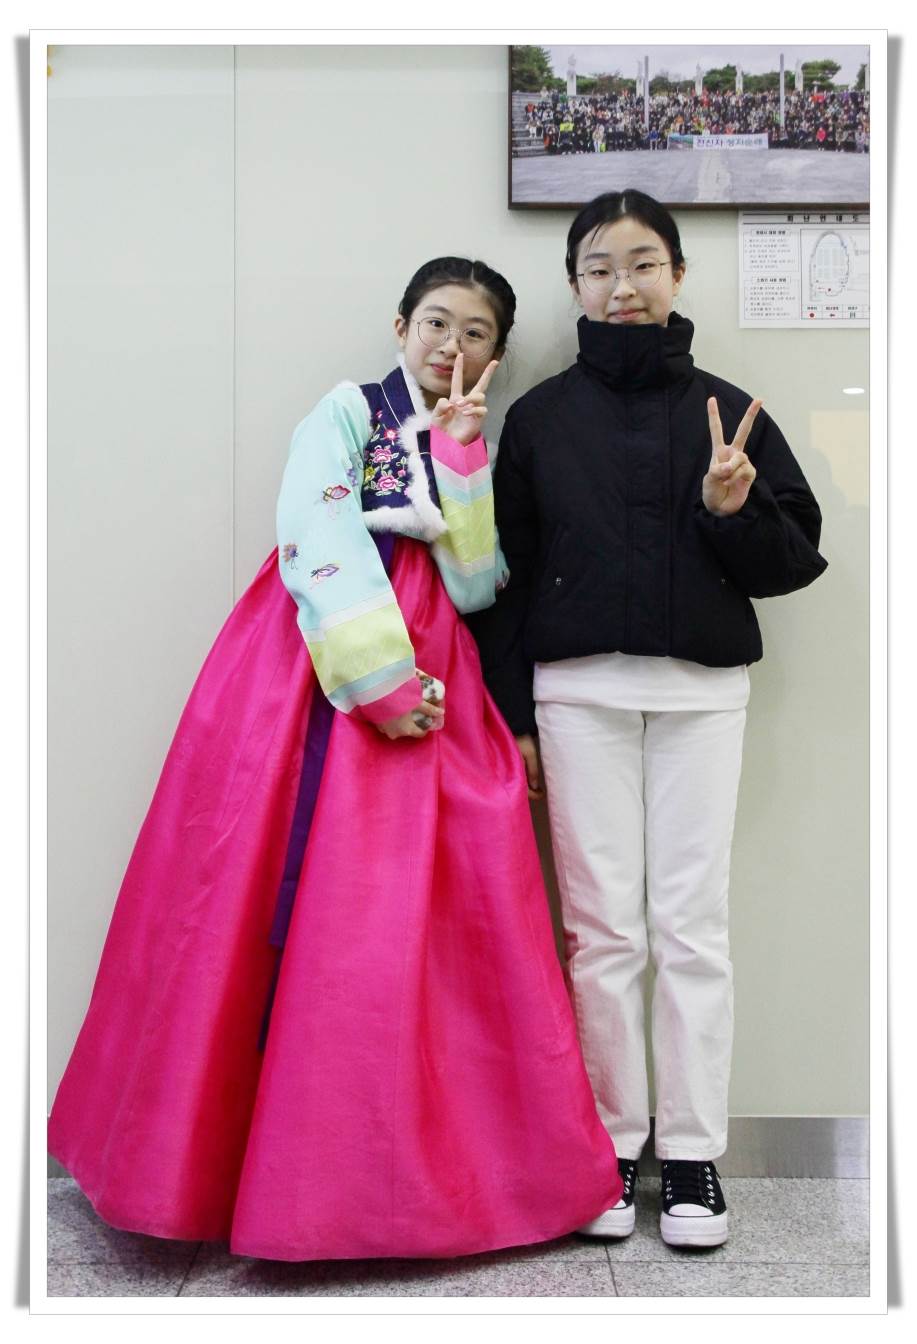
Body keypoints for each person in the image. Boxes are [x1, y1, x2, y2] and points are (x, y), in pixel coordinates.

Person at [48, 256, 623, 1262]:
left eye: (476, 333)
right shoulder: (347, 411)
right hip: (321, 665)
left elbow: (476, 583)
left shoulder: (463, 435)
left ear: (496, 351)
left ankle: (429, 1174)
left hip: (437, 660)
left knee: (427, 909)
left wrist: (459, 457)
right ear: (401, 325)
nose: (451, 346)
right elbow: (315, 532)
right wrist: (378, 682)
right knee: (293, 893)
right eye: (436, 323)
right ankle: (250, 1175)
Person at [467, 192, 827, 1249]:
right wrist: (511, 714)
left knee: (689, 926)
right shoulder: (540, 417)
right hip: (573, 695)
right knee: (601, 932)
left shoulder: (730, 410)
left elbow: (792, 562)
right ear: (573, 285)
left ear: (676, 274)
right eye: (598, 267)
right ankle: (611, 1147)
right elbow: (504, 575)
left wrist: (730, 509)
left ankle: (694, 1154)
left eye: (641, 264)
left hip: (699, 695)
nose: (620, 287)